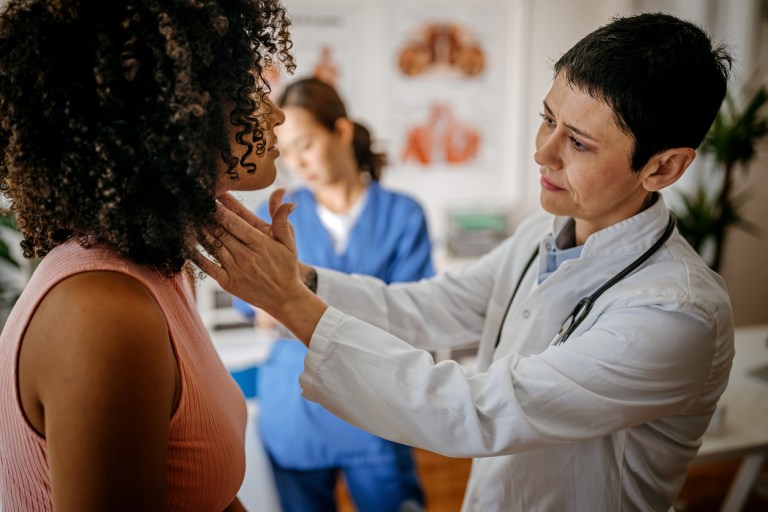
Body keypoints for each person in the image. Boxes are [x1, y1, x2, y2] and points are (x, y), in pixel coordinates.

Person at [196, 12, 736, 511]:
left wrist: (289, 301)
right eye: (547, 119)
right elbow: (423, 308)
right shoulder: (538, 236)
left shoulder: (676, 313)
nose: (543, 153)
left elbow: (477, 410)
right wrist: (302, 278)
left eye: (578, 142)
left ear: (663, 169)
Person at [0, 1, 293, 511]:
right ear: (175, 115)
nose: (275, 113)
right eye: (249, 89)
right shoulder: (104, 312)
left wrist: (289, 292)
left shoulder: (156, 270)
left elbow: (206, 494)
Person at [232, 77, 432, 512]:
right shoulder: (278, 215)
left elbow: (414, 316)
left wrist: (293, 306)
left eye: (306, 143)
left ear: (340, 132)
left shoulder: (402, 214)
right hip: (295, 408)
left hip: (377, 408)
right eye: (287, 151)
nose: (297, 161)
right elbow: (254, 307)